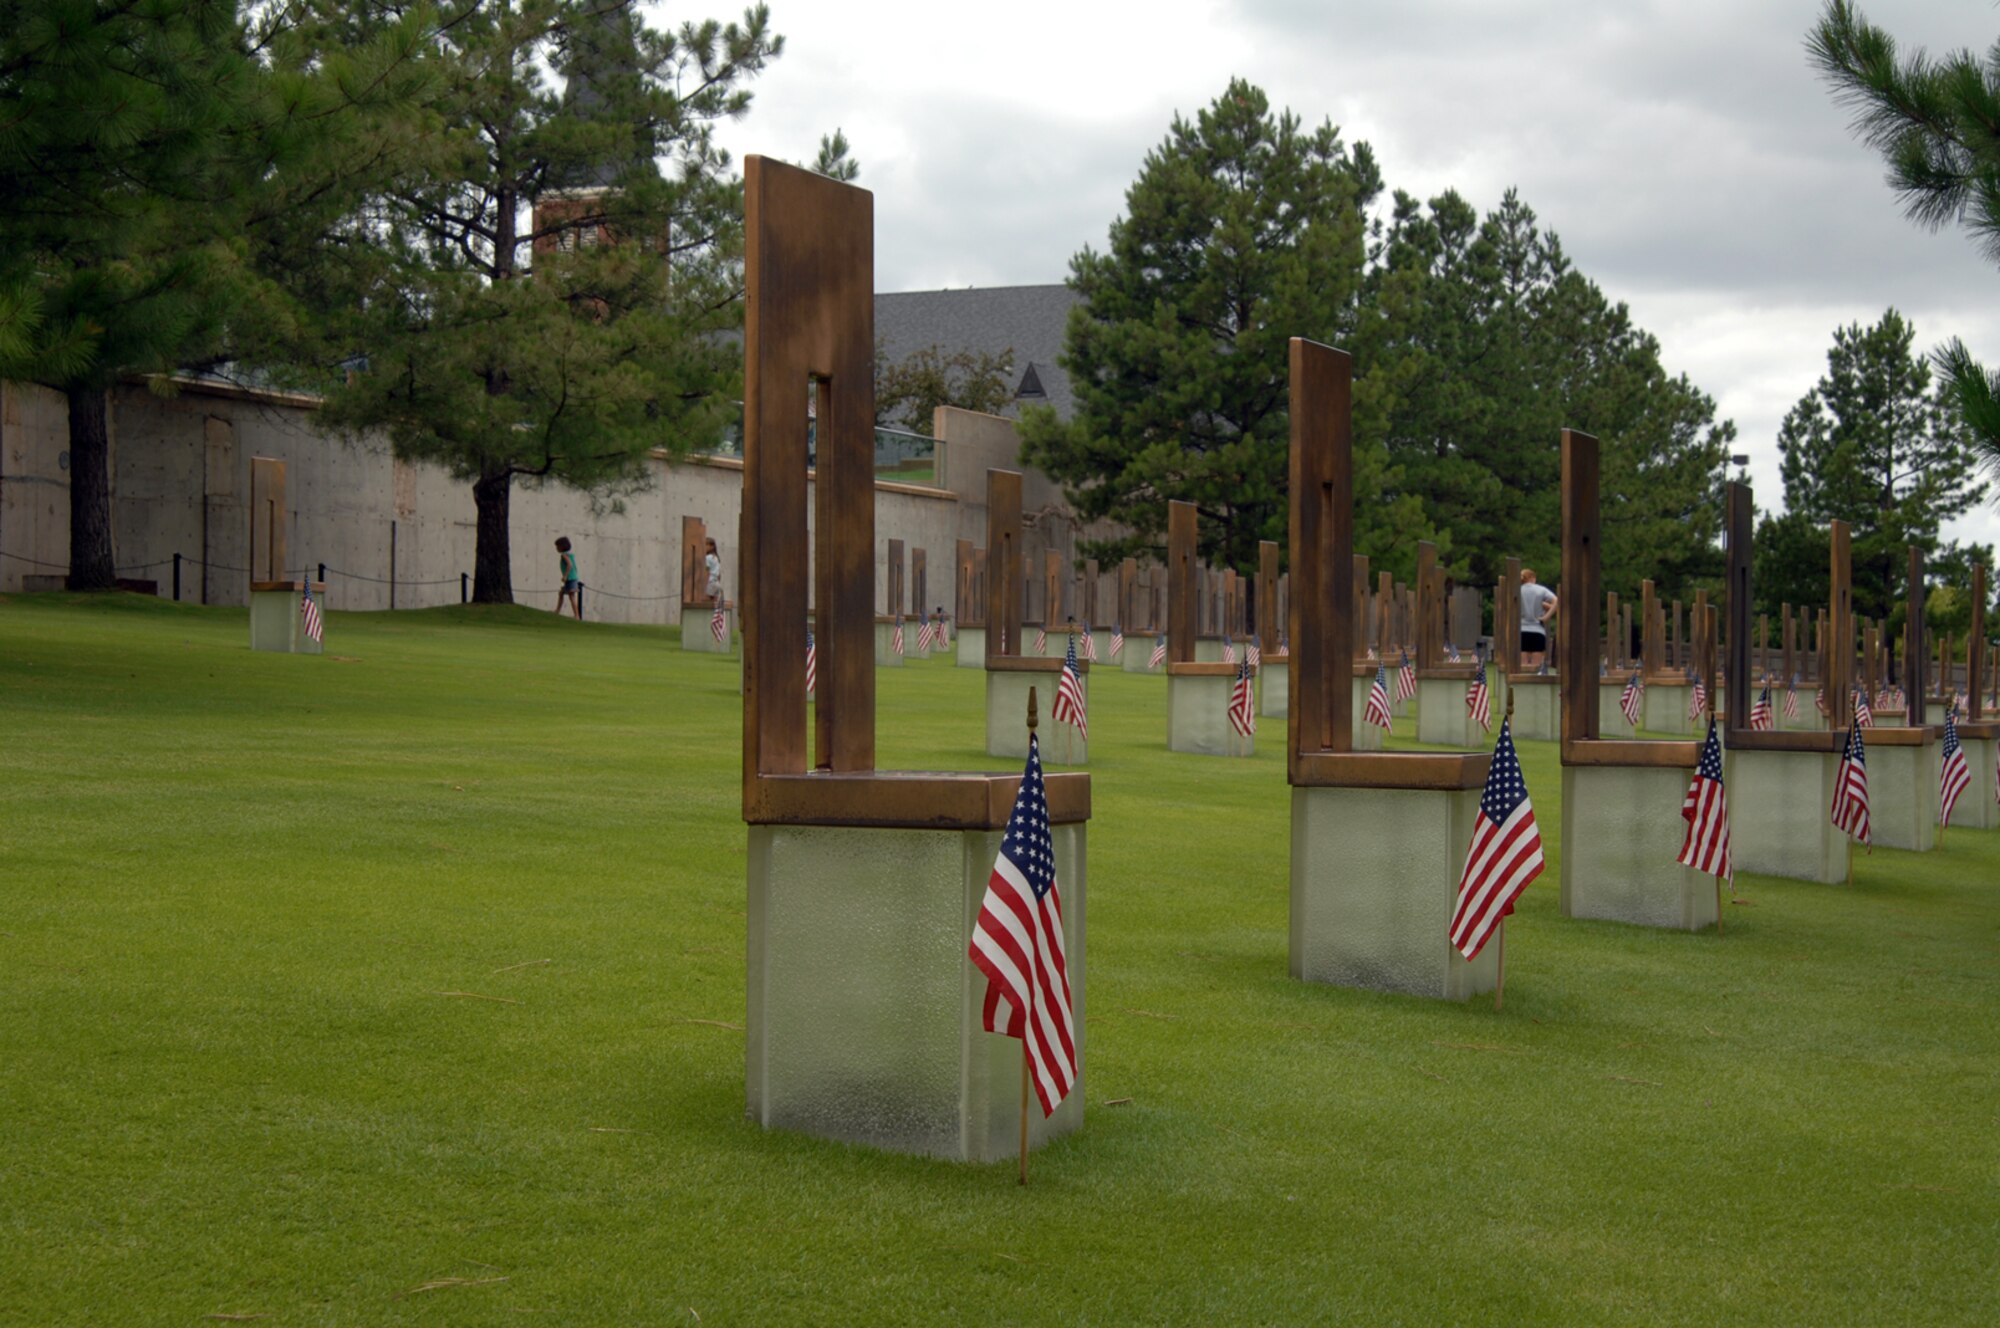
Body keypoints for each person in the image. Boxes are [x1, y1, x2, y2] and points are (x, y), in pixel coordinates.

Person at [1519, 567, 1557, 671]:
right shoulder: (1541, 589)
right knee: (1536, 667)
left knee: (1523, 667)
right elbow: (1556, 601)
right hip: (1537, 630)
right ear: (1533, 578)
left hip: (1522, 630)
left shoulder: (1517, 590)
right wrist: (1546, 617)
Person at [555, 537, 582, 620]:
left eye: (558, 546)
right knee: (561, 593)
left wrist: (565, 575)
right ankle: (557, 611)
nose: (556, 548)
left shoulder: (564, 555)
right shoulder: (570, 554)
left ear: (562, 546)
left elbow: (570, 565)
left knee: (571, 596)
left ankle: (577, 615)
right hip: (572, 578)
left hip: (570, 579)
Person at [703, 537, 723, 609]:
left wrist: (704, 585)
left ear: (712, 546)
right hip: (717, 583)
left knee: (705, 603)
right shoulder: (716, 558)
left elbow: (707, 571)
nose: (704, 547)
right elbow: (719, 574)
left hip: (711, 582)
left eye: (706, 545)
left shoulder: (708, 557)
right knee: (715, 605)